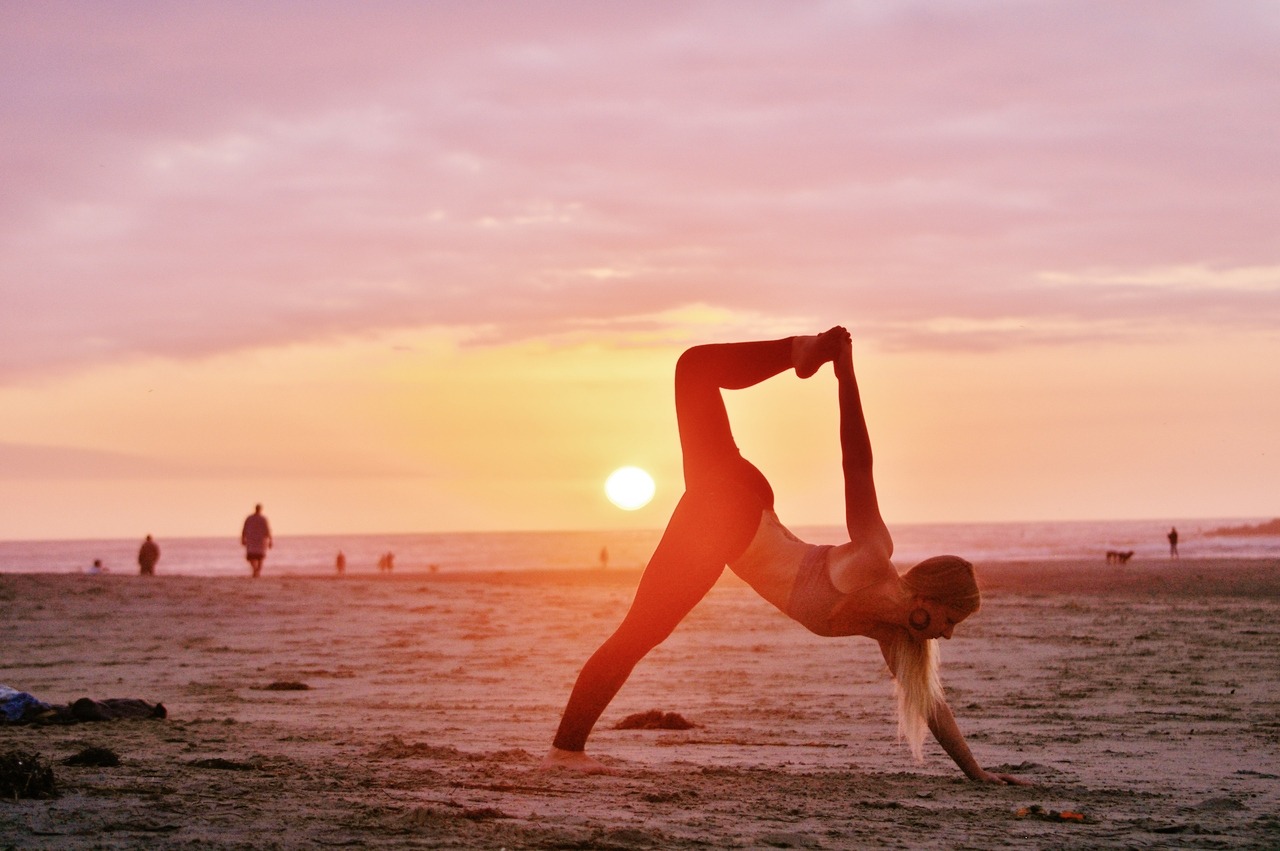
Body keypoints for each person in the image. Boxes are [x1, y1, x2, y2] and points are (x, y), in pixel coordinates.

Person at [542, 328, 1028, 784]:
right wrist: (844, 373)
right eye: (951, 618)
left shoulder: (890, 632)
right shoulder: (873, 560)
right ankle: (566, 752)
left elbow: (932, 708)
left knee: (693, 368)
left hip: (743, 504)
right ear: (933, 593)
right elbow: (857, 465)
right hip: (730, 517)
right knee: (640, 631)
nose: (947, 632)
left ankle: (799, 350)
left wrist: (977, 773)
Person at [240, 504, 273, 578]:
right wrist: (243, 538)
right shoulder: (250, 518)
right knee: (252, 557)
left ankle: (256, 571)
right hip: (252, 540)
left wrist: (270, 540)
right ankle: (255, 570)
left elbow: (267, 530)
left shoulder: (263, 519)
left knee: (260, 557)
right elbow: (244, 528)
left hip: (260, 540)